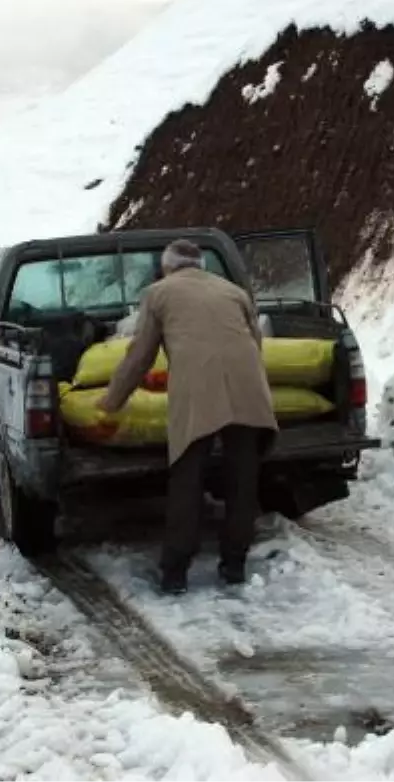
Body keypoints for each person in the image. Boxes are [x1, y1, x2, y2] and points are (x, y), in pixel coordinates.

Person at [98, 239, 278, 595]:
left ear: (167, 267)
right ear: (201, 266)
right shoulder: (234, 291)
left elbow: (140, 357)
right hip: (249, 389)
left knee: (187, 478)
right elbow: (254, 343)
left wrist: (111, 401)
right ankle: (234, 564)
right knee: (243, 480)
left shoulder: (159, 293)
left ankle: (175, 572)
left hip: (199, 394)